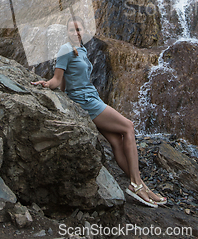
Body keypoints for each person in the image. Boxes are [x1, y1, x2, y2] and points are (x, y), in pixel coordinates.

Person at [31, 16, 167, 208]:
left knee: (116, 142)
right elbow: (57, 79)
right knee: (128, 127)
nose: (75, 33)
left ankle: (142, 187)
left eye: (79, 30)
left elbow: (70, 79)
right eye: (71, 30)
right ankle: (136, 184)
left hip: (92, 97)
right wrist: (46, 85)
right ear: (67, 33)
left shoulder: (83, 50)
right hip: (85, 101)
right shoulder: (65, 50)